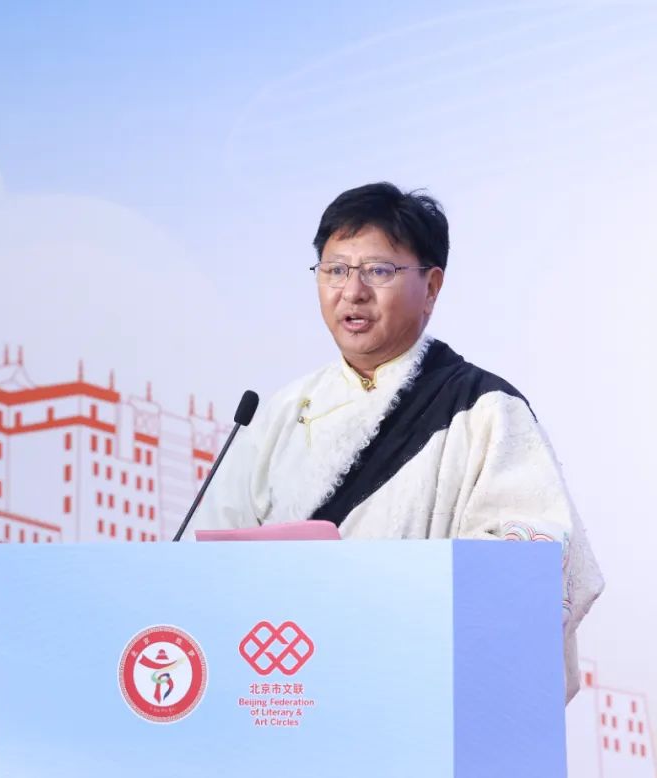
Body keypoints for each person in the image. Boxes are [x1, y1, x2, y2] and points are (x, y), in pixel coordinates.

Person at [190, 181, 604, 702]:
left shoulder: (486, 411)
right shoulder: (281, 413)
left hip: (420, 700)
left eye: (379, 271)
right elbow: (205, 567)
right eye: (335, 270)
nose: (353, 291)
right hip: (285, 698)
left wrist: (383, 602)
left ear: (431, 287)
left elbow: (535, 568)